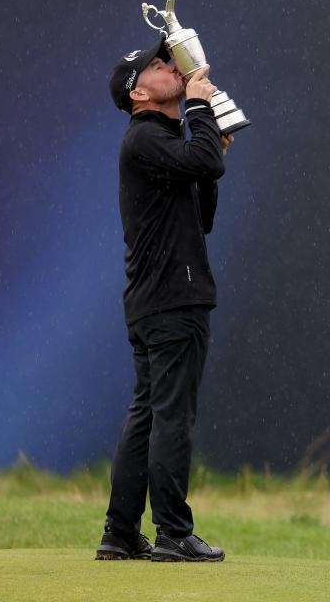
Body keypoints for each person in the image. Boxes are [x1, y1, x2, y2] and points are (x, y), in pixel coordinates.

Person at [96, 36, 234, 562]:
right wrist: (200, 108)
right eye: (157, 65)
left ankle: (120, 532)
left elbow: (202, 212)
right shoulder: (146, 136)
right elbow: (202, 161)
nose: (171, 67)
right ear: (139, 95)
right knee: (172, 414)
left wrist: (208, 144)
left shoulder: (157, 142)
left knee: (150, 413)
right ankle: (174, 532)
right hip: (173, 301)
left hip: (157, 298)